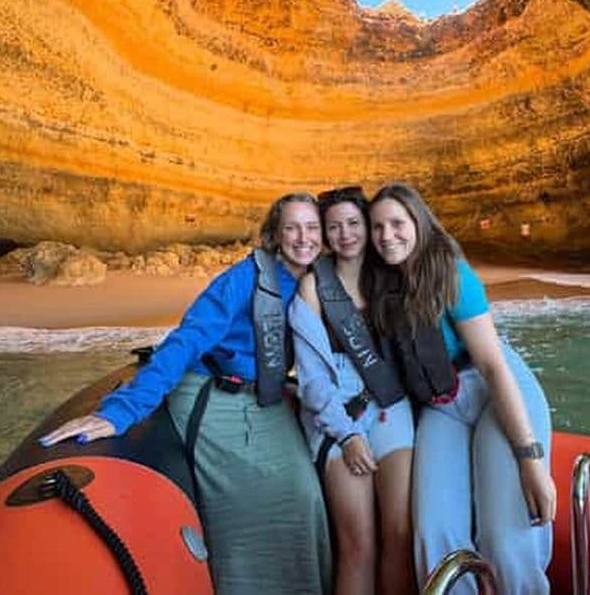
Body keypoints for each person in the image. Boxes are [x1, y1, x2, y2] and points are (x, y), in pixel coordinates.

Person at [40, 193, 332, 595]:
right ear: (275, 235)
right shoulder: (241, 279)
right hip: (213, 395)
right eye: (292, 228)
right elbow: (187, 340)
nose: (303, 238)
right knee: (249, 500)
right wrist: (122, 411)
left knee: (305, 494)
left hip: (264, 398)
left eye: (312, 227)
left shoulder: (320, 280)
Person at [367, 183, 556, 595]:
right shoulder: (382, 287)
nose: (387, 235)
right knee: (433, 531)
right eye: (377, 226)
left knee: (506, 536)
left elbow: (492, 364)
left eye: (397, 223)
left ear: (419, 223)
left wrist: (530, 459)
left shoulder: (450, 273)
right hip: (443, 405)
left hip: (493, 389)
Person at [289, 186, 416, 595]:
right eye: (334, 227)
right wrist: (346, 435)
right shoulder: (313, 288)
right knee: (358, 544)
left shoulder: (393, 277)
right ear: (325, 235)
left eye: (353, 223)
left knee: (400, 534)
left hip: (391, 412)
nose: (345, 234)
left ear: (367, 226)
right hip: (337, 418)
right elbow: (311, 381)